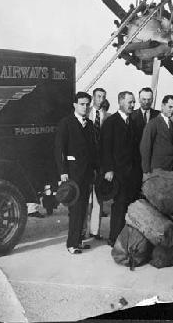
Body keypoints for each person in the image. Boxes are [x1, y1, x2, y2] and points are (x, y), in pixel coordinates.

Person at [54, 92, 97, 254]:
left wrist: (94, 169)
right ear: (75, 105)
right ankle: (71, 244)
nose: (85, 107)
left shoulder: (90, 124)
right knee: (75, 209)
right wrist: (62, 172)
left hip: (86, 174)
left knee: (83, 207)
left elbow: (93, 149)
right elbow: (59, 150)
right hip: (72, 174)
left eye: (87, 104)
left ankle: (78, 241)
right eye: (82, 104)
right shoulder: (66, 123)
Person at [101, 91, 140, 246]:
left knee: (129, 205)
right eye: (130, 102)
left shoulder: (133, 123)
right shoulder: (111, 122)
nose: (132, 105)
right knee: (119, 206)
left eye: (133, 102)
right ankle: (114, 238)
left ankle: (125, 237)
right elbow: (105, 148)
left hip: (131, 174)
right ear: (120, 102)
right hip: (117, 173)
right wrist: (108, 169)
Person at [82, 88, 110, 240]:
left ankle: (95, 231)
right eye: (98, 96)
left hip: (101, 162)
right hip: (87, 162)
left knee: (98, 198)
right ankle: (82, 230)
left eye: (103, 97)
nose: (101, 99)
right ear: (93, 98)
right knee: (85, 199)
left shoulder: (108, 117)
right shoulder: (85, 115)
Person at [140, 95, 173, 175]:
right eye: (170, 107)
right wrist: (146, 171)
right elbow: (145, 148)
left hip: (172, 169)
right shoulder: (153, 123)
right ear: (162, 106)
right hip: (157, 169)